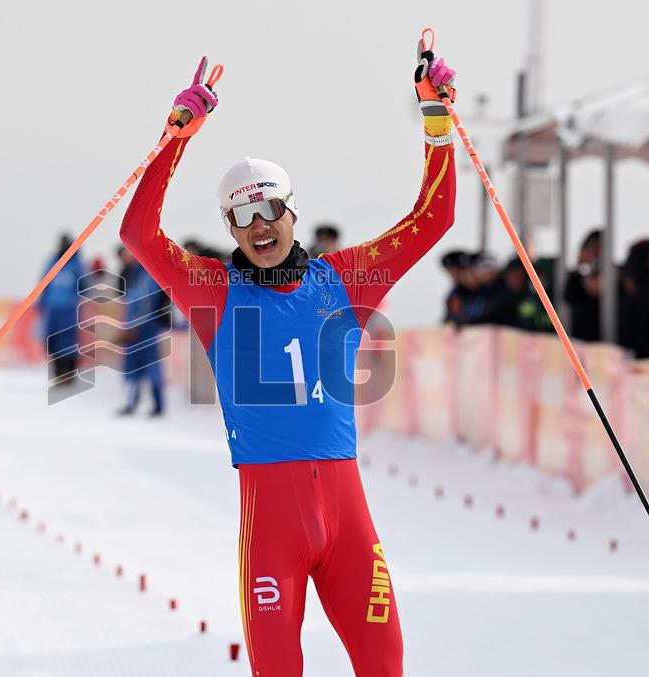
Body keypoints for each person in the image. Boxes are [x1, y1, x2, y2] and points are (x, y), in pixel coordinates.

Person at [120, 47, 457, 676]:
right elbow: (140, 236)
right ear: (231, 225)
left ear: (291, 210)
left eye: (269, 208)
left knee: (385, 662)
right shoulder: (214, 291)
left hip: (347, 516)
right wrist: (175, 139)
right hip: (272, 522)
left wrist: (436, 118)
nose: (258, 225)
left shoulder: (348, 277)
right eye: (242, 216)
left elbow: (434, 217)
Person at [115, 247, 171, 417]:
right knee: (131, 365)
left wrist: (135, 325)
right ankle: (131, 403)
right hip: (133, 325)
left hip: (146, 326)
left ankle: (159, 405)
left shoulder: (147, 274)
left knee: (151, 364)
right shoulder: (130, 273)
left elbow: (147, 303)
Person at [39, 233, 86, 384]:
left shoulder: (77, 264)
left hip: (68, 309)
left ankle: (69, 374)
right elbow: (44, 284)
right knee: (51, 341)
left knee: (67, 343)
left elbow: (84, 285)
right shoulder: (52, 262)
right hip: (53, 309)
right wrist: (42, 302)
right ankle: (59, 373)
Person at [564, 229, 602, 342]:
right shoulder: (578, 276)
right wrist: (580, 264)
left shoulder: (614, 275)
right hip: (581, 341)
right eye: (592, 248)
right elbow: (568, 296)